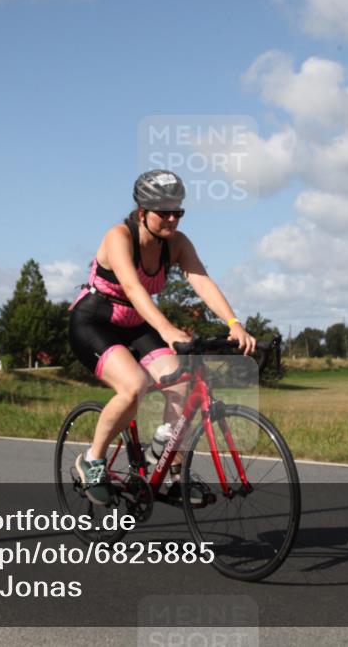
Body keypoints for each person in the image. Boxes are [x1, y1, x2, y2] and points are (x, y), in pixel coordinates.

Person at [68, 169, 256, 505]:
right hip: (95, 321)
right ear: (142, 212)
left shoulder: (177, 245)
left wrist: (233, 323)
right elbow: (133, 288)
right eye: (164, 212)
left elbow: (201, 281)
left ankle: (165, 467)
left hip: (137, 323)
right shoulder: (119, 237)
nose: (172, 219)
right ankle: (92, 461)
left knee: (182, 383)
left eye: (178, 212)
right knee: (133, 386)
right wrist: (167, 330)